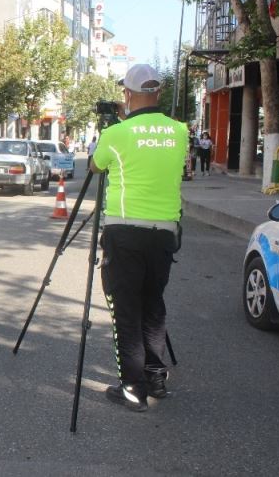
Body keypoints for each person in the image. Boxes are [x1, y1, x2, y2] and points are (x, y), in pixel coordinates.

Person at [90, 64, 188, 412]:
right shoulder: (180, 131)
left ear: (127, 95)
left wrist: (114, 124)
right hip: (164, 235)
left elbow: (95, 166)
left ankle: (132, 389)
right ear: (158, 93)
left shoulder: (116, 134)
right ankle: (156, 379)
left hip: (125, 233)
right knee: (153, 306)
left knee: (127, 312)